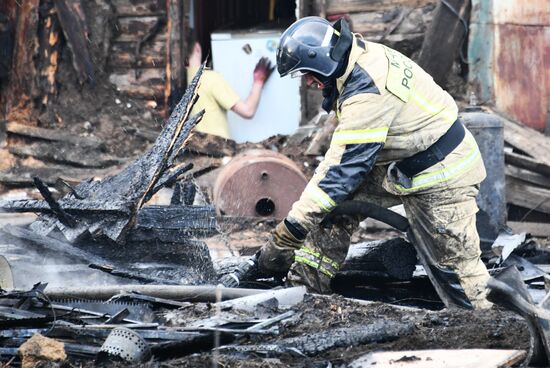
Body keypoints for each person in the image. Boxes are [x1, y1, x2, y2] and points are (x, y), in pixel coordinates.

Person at [253, 16, 492, 309]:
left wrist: (291, 230)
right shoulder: (356, 57)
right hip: (404, 163)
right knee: (331, 210)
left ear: (321, 61)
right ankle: (304, 293)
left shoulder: (367, 90)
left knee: (456, 271)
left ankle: (493, 327)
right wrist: (302, 220)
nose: (309, 82)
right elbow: (339, 163)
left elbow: (342, 173)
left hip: (444, 172)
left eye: (307, 73)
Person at [187, 42, 274, 139]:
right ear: (197, 47)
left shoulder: (177, 82)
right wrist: (258, 80)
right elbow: (248, 111)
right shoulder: (209, 78)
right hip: (217, 149)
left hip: (193, 150)